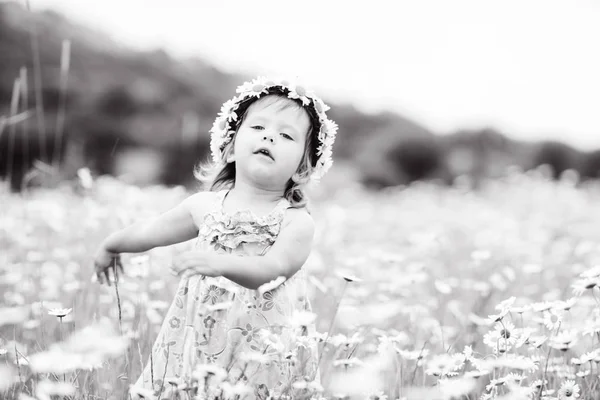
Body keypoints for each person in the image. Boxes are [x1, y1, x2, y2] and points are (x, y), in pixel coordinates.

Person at [92, 76, 338, 399]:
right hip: (197, 338)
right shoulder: (204, 207)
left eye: (286, 135)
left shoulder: (296, 223)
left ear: (303, 168)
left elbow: (273, 269)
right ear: (231, 146)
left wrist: (220, 262)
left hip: (261, 351)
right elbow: (151, 231)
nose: (269, 136)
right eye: (258, 128)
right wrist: (113, 244)